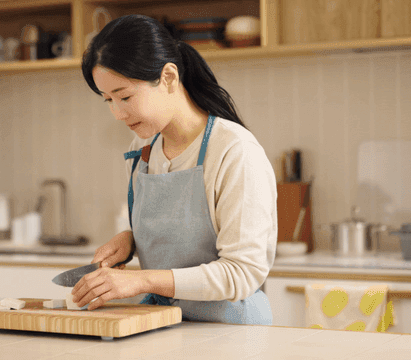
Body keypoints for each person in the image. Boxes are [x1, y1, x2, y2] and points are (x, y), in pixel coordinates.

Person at [71, 14, 277, 324]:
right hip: (168, 322)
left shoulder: (235, 152)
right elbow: (187, 238)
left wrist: (142, 280)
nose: (117, 112)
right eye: (108, 100)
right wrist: (132, 240)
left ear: (168, 77)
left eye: (125, 96)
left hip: (231, 333)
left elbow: (242, 273)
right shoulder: (144, 151)